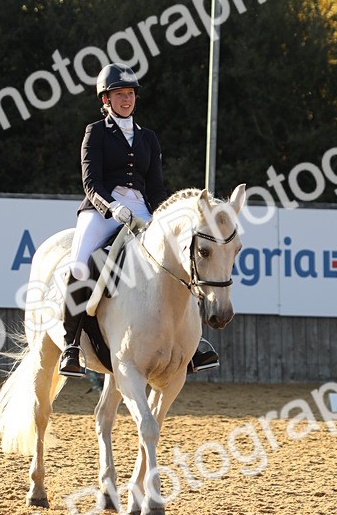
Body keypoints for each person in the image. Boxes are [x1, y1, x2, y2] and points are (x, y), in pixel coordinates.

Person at [58, 63, 220, 378]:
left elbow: (156, 188)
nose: (126, 99)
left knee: (178, 259)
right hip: (101, 211)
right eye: (119, 94)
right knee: (79, 265)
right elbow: (91, 183)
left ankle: (193, 343)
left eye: (130, 94)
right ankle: (71, 345)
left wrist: (164, 218)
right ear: (105, 99)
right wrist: (110, 208)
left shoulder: (148, 138)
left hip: (142, 211)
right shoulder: (95, 133)